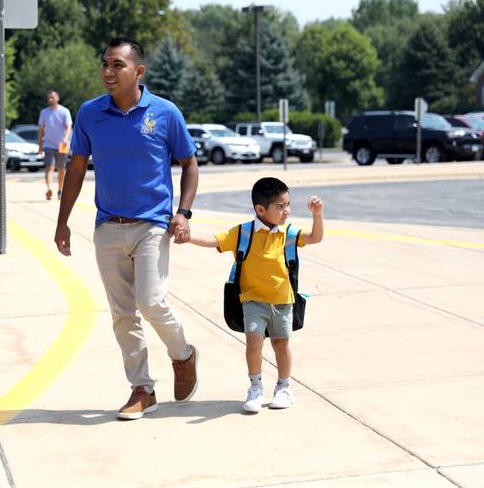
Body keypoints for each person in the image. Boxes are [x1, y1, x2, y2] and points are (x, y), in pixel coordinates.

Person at [55, 37, 199, 420]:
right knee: (122, 312)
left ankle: (183, 355)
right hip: (108, 227)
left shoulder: (165, 113)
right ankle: (142, 388)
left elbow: (189, 163)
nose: (107, 72)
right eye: (105, 64)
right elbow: (76, 167)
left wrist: (183, 211)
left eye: (117, 65)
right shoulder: (90, 113)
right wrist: (63, 221)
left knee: (151, 302)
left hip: (152, 225)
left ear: (138, 71)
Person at [183, 177, 323, 413]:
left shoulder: (288, 233)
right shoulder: (244, 233)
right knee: (254, 343)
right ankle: (256, 387)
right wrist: (188, 237)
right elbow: (215, 240)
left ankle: (283, 387)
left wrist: (317, 215)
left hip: (283, 301)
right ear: (260, 209)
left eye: (288, 204)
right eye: (280, 206)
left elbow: (314, 238)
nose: (286, 211)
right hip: (252, 300)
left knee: (281, 344)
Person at [37, 89, 72, 200]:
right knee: (49, 167)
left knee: (61, 169)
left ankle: (60, 190)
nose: (50, 99)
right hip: (48, 144)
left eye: (52, 97)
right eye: (49, 98)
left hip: (62, 145)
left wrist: (66, 139)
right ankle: (49, 188)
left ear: (57, 98)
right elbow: (41, 130)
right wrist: (40, 146)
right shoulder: (44, 112)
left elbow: (68, 126)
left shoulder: (64, 111)